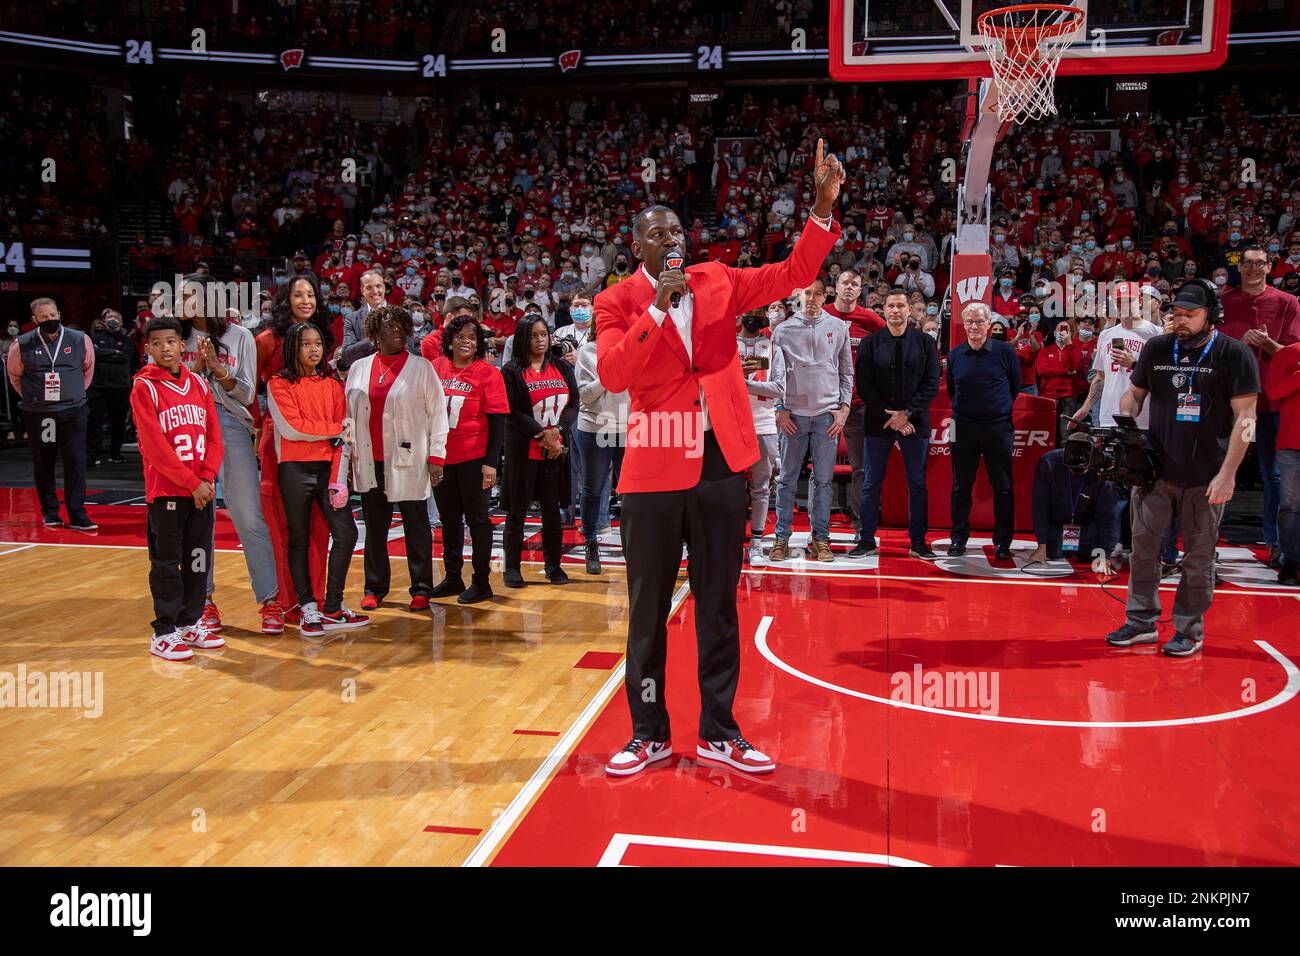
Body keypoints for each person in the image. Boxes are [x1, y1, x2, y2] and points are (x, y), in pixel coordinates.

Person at [594, 138, 843, 777]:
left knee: (718, 605)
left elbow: (793, 275)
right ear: (638, 249)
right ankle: (648, 732)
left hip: (719, 464)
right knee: (647, 610)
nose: (671, 238)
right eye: (657, 233)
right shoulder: (617, 301)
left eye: (677, 228)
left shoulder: (718, 279)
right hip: (652, 468)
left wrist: (819, 211)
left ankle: (719, 730)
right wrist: (656, 309)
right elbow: (617, 376)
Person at [1105, 281, 1259, 657]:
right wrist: (1125, 411)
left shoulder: (1234, 354)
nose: (1181, 320)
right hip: (1156, 470)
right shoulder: (1158, 347)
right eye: (1176, 314)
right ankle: (1141, 621)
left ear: (1212, 316)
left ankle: (1189, 629)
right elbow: (1136, 394)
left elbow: (1247, 418)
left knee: (1198, 556)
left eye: (1191, 314)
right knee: (1142, 551)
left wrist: (1228, 473)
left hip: (1207, 475)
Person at [178, 274, 286, 636]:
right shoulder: (175, 337)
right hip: (189, 425)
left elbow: (245, 394)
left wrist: (220, 371)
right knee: (198, 520)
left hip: (229, 424)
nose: (185, 300)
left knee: (248, 516)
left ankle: (270, 600)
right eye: (182, 295)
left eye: (192, 294)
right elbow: (172, 390)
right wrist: (196, 370)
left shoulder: (239, 336)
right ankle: (203, 602)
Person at [131, 316, 226, 661]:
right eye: (157, 343)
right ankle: (164, 631)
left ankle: (190, 621)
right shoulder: (144, 387)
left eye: (171, 341)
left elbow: (215, 436)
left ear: (181, 345)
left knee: (198, 560)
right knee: (167, 563)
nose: (165, 348)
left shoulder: (199, 385)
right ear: (148, 349)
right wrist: (192, 483)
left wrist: (208, 478)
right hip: (168, 491)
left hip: (202, 489)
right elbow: (154, 448)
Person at [344, 305, 448, 613]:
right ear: (375, 334)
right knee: (375, 527)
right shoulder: (359, 367)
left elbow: (438, 415)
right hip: (369, 459)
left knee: (416, 525)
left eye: (403, 326)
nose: (399, 332)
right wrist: (346, 460)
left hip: (410, 459)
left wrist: (436, 457)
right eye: (391, 327)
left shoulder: (421, 367)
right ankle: (374, 587)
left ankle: (421, 588)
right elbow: (348, 417)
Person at [267, 321, 367, 638]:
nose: (314, 350)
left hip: (328, 472)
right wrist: (333, 429)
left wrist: (339, 480)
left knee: (346, 534)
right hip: (294, 469)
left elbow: (346, 434)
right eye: (306, 344)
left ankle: (333, 607)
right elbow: (292, 427)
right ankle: (308, 607)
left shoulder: (333, 385)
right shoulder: (278, 383)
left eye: (319, 344)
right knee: (298, 538)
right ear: (293, 348)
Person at [1219, 243, 1300, 568]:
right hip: (1230, 403)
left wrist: (1269, 344)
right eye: (1247, 264)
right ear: (1240, 267)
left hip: (1272, 405)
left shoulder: (1288, 303)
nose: (1253, 269)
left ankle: (1276, 543)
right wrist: (1239, 346)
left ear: (1269, 267)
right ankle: (1208, 541)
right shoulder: (1224, 302)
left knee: (1275, 476)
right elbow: (1213, 347)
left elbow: (1294, 354)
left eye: (1259, 264)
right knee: (1217, 469)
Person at [256, 276, 330, 624]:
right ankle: (286, 600)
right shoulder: (267, 340)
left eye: (311, 294)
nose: (306, 300)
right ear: (286, 299)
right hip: (282, 440)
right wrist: (258, 426)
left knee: (320, 525)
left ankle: (316, 597)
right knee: (286, 524)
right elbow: (248, 385)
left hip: (321, 443)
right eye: (298, 294)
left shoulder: (321, 336)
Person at [850, 288, 940, 559]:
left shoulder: (925, 343)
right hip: (879, 422)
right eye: (891, 306)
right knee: (871, 482)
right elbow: (864, 386)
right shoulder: (869, 344)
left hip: (915, 421)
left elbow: (931, 383)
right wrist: (893, 417)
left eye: (901, 305)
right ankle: (866, 539)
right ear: (884, 310)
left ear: (909, 310)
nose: (896, 310)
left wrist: (907, 414)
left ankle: (918, 542)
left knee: (917, 483)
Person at [768, 277, 853, 563]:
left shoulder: (838, 327)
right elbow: (774, 377)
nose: (813, 297)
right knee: (786, 480)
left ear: (826, 295)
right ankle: (781, 538)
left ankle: (821, 539)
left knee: (824, 481)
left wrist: (843, 408)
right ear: (799, 295)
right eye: (808, 293)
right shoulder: (782, 330)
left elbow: (846, 373)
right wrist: (779, 408)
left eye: (818, 293)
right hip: (793, 415)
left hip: (827, 416)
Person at [429, 314, 508, 603]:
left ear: (478, 344)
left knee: (477, 520)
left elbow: (498, 423)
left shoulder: (488, 373)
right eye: (460, 336)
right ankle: (452, 578)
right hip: (441, 457)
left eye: (471, 338)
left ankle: (481, 581)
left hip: (475, 458)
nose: (465, 342)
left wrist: (491, 463)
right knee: (448, 519)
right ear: (449, 340)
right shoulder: (435, 368)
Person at [5, 297, 97, 531]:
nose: (50, 320)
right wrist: (35, 399)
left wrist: (73, 393)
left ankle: (77, 514)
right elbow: (15, 376)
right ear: (35, 319)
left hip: (72, 411)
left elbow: (87, 370)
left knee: (75, 462)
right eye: (44, 317)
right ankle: (51, 513)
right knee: (44, 463)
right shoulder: (22, 343)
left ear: (59, 314)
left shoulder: (80, 339)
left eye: (53, 315)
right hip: (42, 416)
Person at [501, 316, 579, 587]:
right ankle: (511, 568)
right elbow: (512, 411)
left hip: (555, 451)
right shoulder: (511, 371)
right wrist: (542, 434)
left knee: (552, 512)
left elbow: (573, 404)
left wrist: (557, 431)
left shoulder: (561, 367)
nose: (541, 339)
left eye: (544, 334)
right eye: (534, 335)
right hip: (524, 452)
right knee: (516, 512)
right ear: (524, 338)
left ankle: (553, 566)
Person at [946, 301, 1021, 559]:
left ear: (989, 324)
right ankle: (958, 539)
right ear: (963, 324)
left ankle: (1002, 543)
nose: (974, 326)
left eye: (979, 322)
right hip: (962, 426)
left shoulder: (1005, 352)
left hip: (997, 427)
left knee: (1002, 486)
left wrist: (996, 411)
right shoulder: (955, 355)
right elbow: (953, 389)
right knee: (960, 486)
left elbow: (1014, 387)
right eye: (970, 322)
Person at [824, 269, 884, 547]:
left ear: (860, 291)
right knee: (820, 471)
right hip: (824, 405)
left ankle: (862, 524)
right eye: (844, 282)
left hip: (858, 406)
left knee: (861, 468)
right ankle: (819, 526)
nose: (849, 287)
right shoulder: (820, 314)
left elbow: (888, 351)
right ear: (835, 286)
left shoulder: (871, 320)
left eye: (855, 284)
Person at [573, 307, 628, 575]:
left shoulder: (635, 349)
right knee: (593, 488)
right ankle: (591, 542)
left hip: (628, 427)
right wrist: (608, 376)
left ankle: (632, 544)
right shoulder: (588, 352)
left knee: (630, 491)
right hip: (594, 427)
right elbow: (584, 395)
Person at [1024, 444, 1119, 571]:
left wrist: (1104, 556)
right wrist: (1042, 544)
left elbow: (1108, 516)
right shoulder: (1049, 462)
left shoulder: (1102, 468)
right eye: (1072, 469)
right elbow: (1040, 506)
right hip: (1057, 528)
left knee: (1093, 555)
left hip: (1088, 530)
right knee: (1053, 552)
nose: (1077, 473)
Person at [738, 308, 784, 566]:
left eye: (759, 311)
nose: (753, 315)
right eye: (750, 310)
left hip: (764, 425)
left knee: (761, 488)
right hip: (732, 426)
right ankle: (730, 540)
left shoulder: (773, 346)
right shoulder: (728, 345)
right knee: (729, 489)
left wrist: (744, 383)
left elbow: (779, 388)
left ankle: (756, 543)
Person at [1265, 339, 1300, 585]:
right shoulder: (1289, 353)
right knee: (1291, 506)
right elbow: (1273, 391)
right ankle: (1291, 560)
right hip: (1292, 442)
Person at [87, 308, 136, 466]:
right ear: (104, 320)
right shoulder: (94, 337)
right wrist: (114, 353)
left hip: (120, 387)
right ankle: (92, 455)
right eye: (110, 317)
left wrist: (103, 353)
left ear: (121, 322)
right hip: (97, 387)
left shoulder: (127, 340)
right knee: (94, 422)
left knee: (119, 423)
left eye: (116, 317)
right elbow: (93, 354)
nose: (113, 319)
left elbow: (124, 356)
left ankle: (115, 454)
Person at [1036, 318, 1082, 445]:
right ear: (1054, 332)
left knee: (1066, 436)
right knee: (1047, 434)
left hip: (1068, 396)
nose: (1062, 332)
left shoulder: (1075, 349)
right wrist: (1065, 372)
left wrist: (1069, 345)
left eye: (1066, 329)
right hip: (1049, 396)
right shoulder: (1045, 350)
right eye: (1060, 329)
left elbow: (1074, 366)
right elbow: (1042, 371)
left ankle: (1064, 463)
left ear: (1070, 333)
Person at [337, 269, 389, 370]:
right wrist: (373, 340)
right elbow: (347, 356)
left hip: (396, 375)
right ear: (362, 291)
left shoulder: (402, 314)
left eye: (378, 286)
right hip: (365, 376)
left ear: (384, 287)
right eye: (369, 287)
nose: (375, 291)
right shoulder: (352, 318)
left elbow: (411, 351)